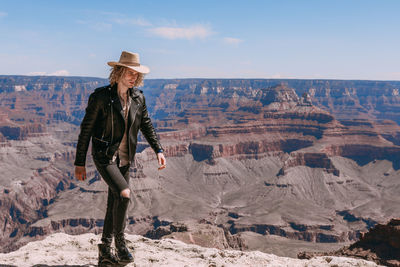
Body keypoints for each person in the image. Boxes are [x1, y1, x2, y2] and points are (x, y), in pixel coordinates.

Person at [74, 51, 166, 266]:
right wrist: (80, 162)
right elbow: (86, 130)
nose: (133, 77)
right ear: (118, 72)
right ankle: (120, 242)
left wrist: (158, 150)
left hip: (125, 157)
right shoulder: (101, 97)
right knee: (124, 194)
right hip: (105, 155)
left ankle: (105, 250)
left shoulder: (138, 98)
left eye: (136, 74)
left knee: (114, 201)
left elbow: (146, 125)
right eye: (129, 72)